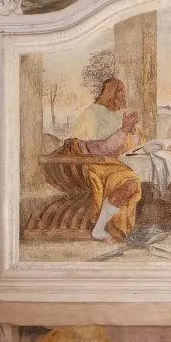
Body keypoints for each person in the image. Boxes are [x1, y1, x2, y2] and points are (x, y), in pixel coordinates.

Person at [65, 77, 143, 241]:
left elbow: (131, 147)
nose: (123, 96)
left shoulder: (117, 114)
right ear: (110, 93)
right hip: (93, 165)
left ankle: (108, 227)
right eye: (120, 91)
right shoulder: (91, 113)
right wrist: (123, 130)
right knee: (130, 183)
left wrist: (132, 131)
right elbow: (98, 149)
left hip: (114, 164)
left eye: (124, 92)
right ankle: (100, 229)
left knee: (134, 180)